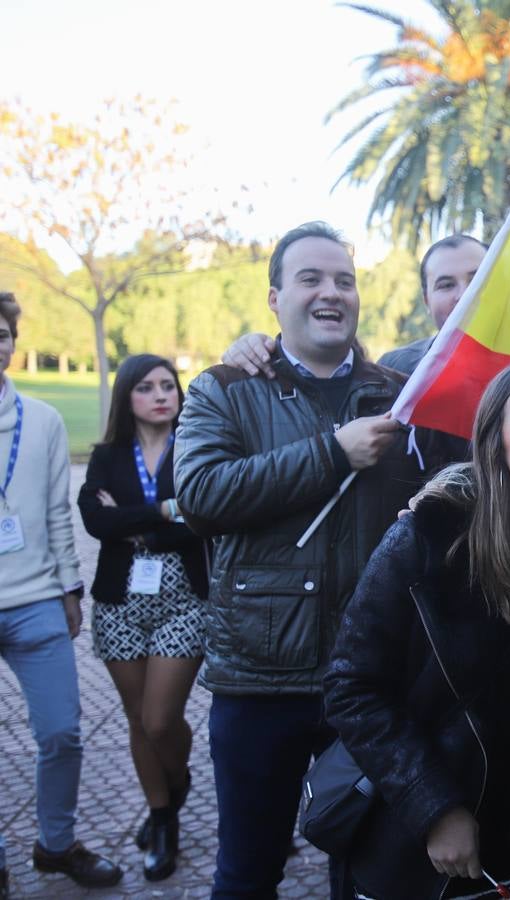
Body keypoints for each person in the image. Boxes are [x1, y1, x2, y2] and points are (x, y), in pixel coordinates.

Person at [173, 222, 425, 899]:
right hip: (261, 683)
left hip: (371, 682)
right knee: (249, 871)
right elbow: (199, 495)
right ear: (275, 297)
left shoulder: (398, 395)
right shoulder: (223, 388)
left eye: (344, 280)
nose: (330, 293)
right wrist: (331, 454)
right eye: (311, 279)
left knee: (368, 866)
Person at [323, 360, 510, 899]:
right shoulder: (426, 541)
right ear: (496, 440)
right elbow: (351, 686)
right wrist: (434, 806)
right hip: (430, 854)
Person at [0, 292, 123, 897]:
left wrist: (71, 589)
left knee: (61, 732)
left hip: (36, 602)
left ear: (12, 342)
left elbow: (54, 513)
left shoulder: (42, 421)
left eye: (0, 333)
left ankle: (56, 845)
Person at [77, 354, 207, 883]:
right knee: (137, 719)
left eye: (168, 385)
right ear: (126, 397)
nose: (161, 394)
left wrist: (140, 523)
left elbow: (203, 518)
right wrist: (162, 511)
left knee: (160, 719)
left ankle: (175, 785)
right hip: (118, 602)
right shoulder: (108, 456)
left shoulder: (196, 448)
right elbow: (94, 518)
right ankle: (162, 818)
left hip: (182, 598)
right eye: (147, 387)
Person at [222, 234, 489, 465]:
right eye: (445, 284)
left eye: (479, 278)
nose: (465, 294)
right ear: (426, 299)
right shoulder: (399, 373)